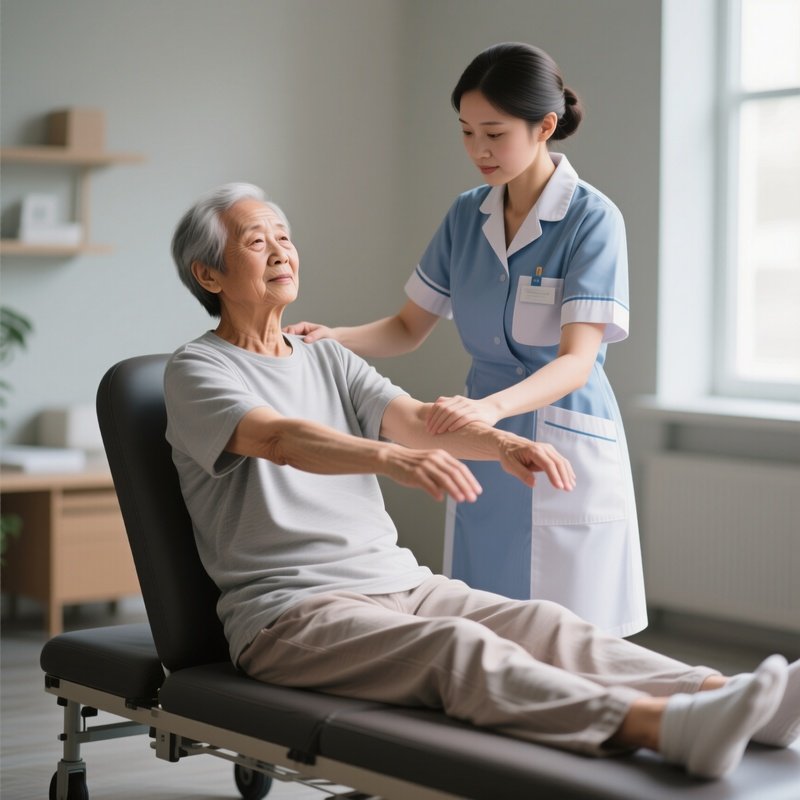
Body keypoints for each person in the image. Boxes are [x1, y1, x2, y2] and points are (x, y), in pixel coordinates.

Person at [163, 182, 799, 781]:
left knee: (547, 625)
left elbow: (415, 422)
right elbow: (277, 437)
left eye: (284, 236)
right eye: (256, 241)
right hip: (290, 614)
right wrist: (385, 460)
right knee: (460, 648)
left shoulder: (328, 355)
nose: (281, 251)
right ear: (209, 275)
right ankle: (663, 729)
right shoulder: (197, 369)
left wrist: (504, 443)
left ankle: (732, 698)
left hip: (399, 584)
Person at [285, 43, 646, 636]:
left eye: (495, 134)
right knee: (489, 625)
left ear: (545, 127)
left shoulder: (592, 219)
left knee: (575, 636)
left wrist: (489, 409)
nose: (479, 150)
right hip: (481, 440)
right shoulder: (465, 216)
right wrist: (334, 337)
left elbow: (578, 361)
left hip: (561, 438)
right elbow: (407, 327)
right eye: (467, 132)